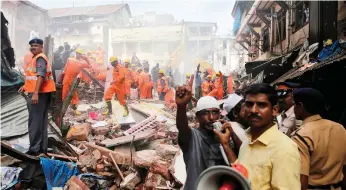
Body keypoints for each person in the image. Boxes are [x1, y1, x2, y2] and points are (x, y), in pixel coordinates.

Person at [222, 83, 301, 189]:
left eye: (261, 105)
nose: (254, 110)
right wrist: (226, 145)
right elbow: (242, 173)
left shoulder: (284, 148)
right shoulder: (247, 141)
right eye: (249, 104)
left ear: (274, 110)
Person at [175, 86, 234, 190]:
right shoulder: (192, 137)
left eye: (215, 112)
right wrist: (181, 106)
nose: (211, 117)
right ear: (197, 117)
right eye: (205, 113)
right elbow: (182, 127)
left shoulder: (225, 137)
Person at [291, 88, 346, 190]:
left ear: (300, 106)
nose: (293, 108)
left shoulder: (301, 136)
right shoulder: (340, 128)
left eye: (294, 104)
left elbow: (301, 179)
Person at [19, 38, 56, 156]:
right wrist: (25, 86)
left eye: (36, 45)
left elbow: (40, 76)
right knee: (41, 121)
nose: (33, 47)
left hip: (39, 94)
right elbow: (33, 77)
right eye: (32, 45)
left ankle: (34, 150)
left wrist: (35, 93)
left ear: (41, 47)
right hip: (43, 94)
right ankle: (42, 149)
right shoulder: (37, 58)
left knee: (34, 122)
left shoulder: (40, 58)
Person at [61, 48, 91, 115]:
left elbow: (90, 66)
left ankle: (74, 108)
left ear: (82, 55)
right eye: (78, 53)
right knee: (64, 93)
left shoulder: (82, 63)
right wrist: (62, 77)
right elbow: (65, 69)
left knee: (74, 94)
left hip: (74, 80)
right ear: (76, 53)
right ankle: (63, 109)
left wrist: (86, 59)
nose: (78, 55)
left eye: (80, 54)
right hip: (66, 78)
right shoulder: (70, 59)